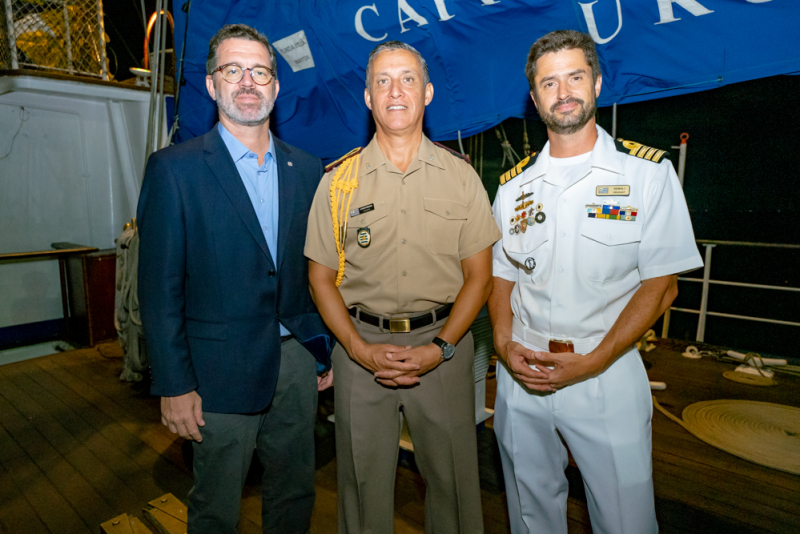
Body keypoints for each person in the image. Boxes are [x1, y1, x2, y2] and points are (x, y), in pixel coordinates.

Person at [488, 30, 703, 534]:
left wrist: (596, 359)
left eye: (575, 77)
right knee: (529, 514)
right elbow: (502, 276)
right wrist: (502, 344)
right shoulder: (513, 186)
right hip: (523, 373)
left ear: (597, 83)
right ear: (534, 96)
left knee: (625, 518)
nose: (563, 92)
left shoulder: (647, 174)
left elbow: (662, 285)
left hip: (605, 370)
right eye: (549, 83)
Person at [137, 24, 334, 534]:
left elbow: (314, 272)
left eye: (260, 72)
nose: (248, 81)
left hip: (295, 364)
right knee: (216, 506)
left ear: (276, 85)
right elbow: (159, 291)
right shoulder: (174, 170)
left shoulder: (306, 169)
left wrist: (320, 349)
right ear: (211, 84)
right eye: (233, 70)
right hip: (216, 374)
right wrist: (174, 384)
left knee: (295, 492)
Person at [304, 41, 501, 533]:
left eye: (407, 79)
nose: (396, 91)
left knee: (454, 487)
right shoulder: (338, 183)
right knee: (361, 488)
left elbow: (480, 277)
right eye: (383, 81)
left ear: (427, 92)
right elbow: (320, 277)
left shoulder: (461, 177)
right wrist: (357, 349)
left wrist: (441, 347)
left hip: (444, 346)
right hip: (359, 348)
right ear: (368, 97)